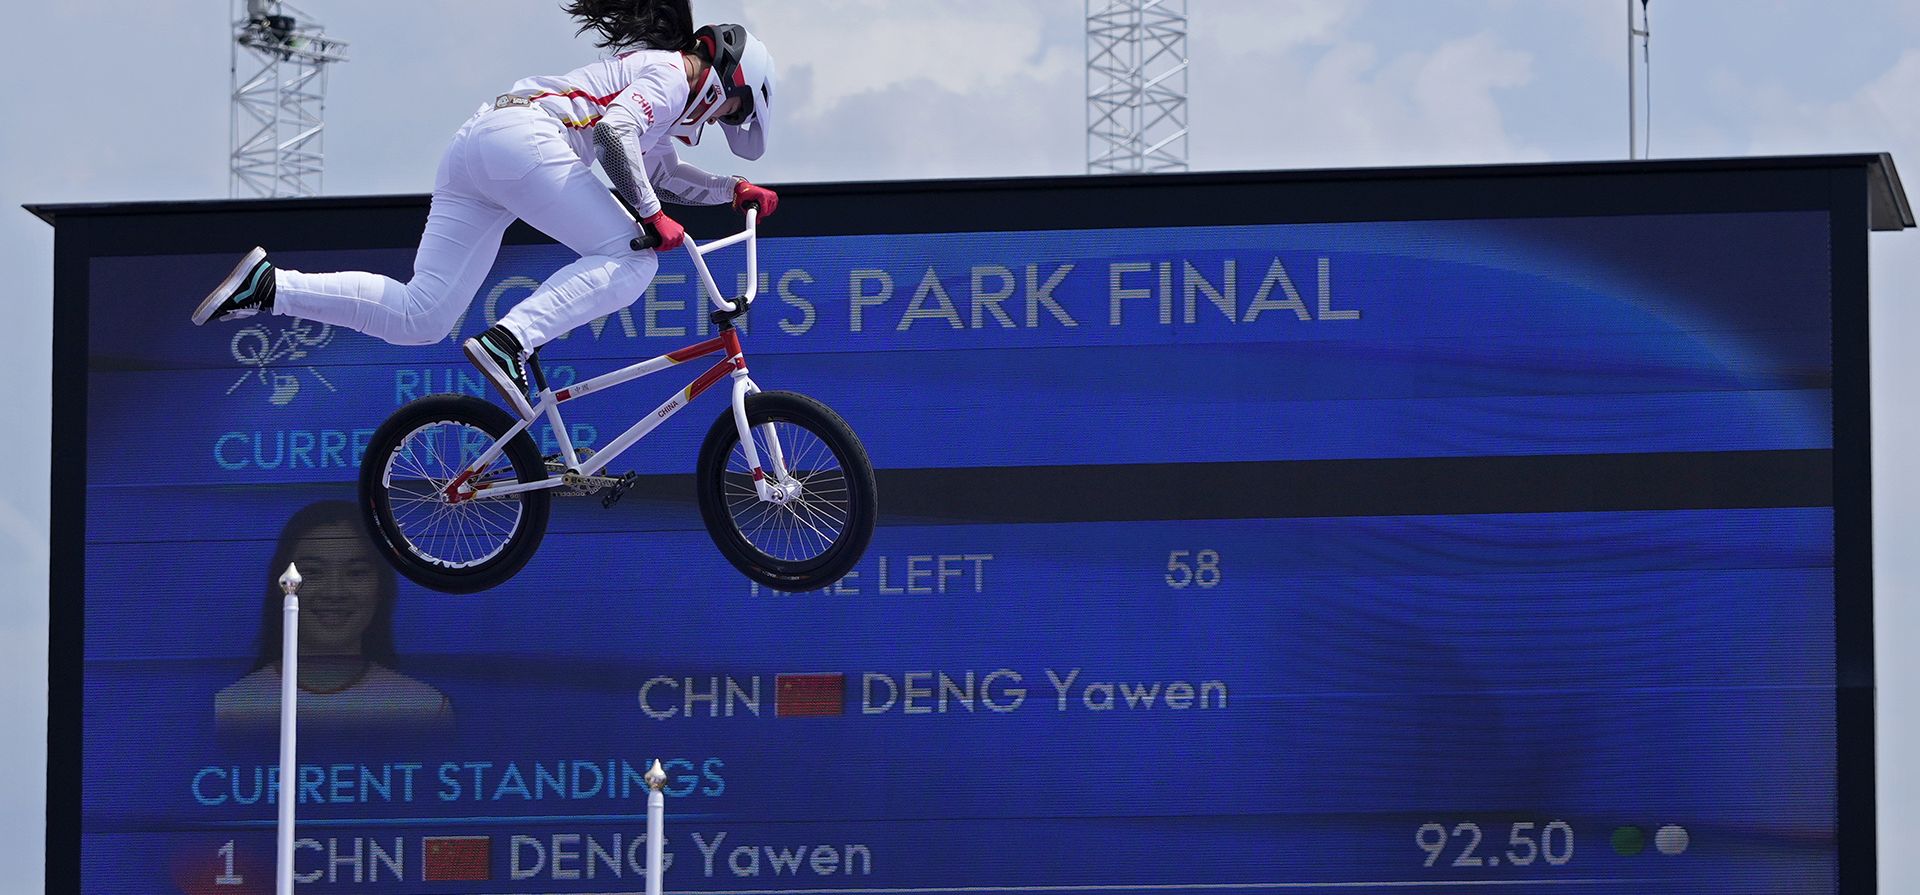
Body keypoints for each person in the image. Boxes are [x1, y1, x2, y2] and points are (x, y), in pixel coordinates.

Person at [191, 0, 780, 419]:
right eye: (733, 109)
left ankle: (270, 288)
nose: (723, 119)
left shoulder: (665, 97)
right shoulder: (673, 74)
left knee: (422, 316)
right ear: (730, 77)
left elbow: (659, 171)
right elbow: (613, 138)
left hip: (481, 146)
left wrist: (732, 189)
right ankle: (510, 342)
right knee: (634, 260)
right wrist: (650, 218)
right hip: (524, 141)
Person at [215, 501, 455, 733]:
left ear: (381, 586)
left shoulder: (426, 709)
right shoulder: (232, 709)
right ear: (281, 585)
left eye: (356, 573)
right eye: (313, 572)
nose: (335, 593)